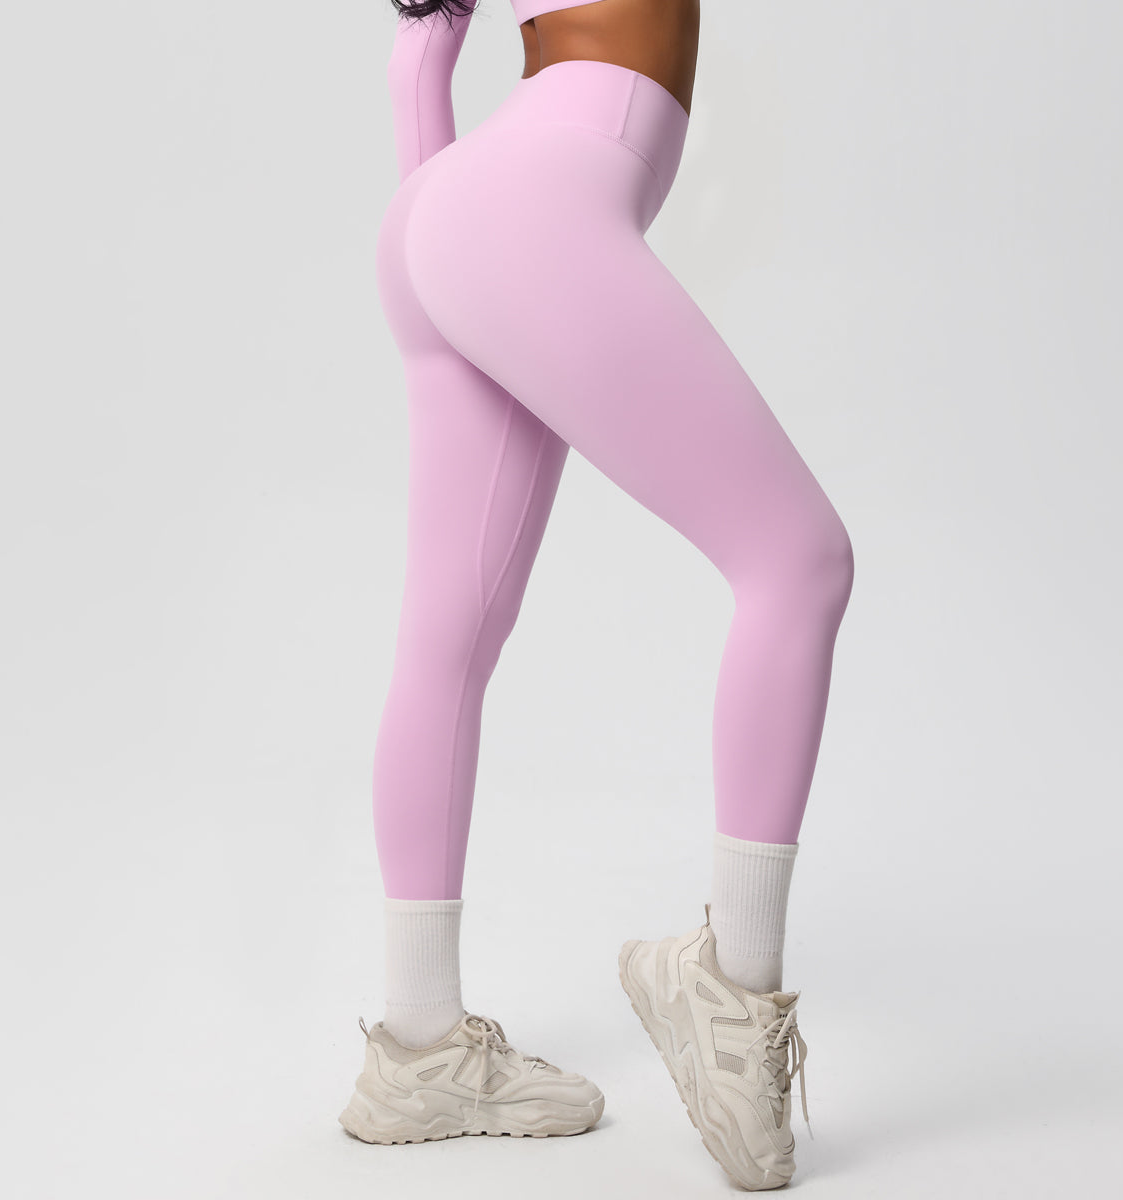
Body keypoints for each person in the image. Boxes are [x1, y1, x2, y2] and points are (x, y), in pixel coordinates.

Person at [338, 0, 853, 1189]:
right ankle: (729, 987)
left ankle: (417, 1048)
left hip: (442, 205)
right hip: (528, 199)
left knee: (446, 645)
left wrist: (440, 217)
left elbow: (423, 49)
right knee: (800, 562)